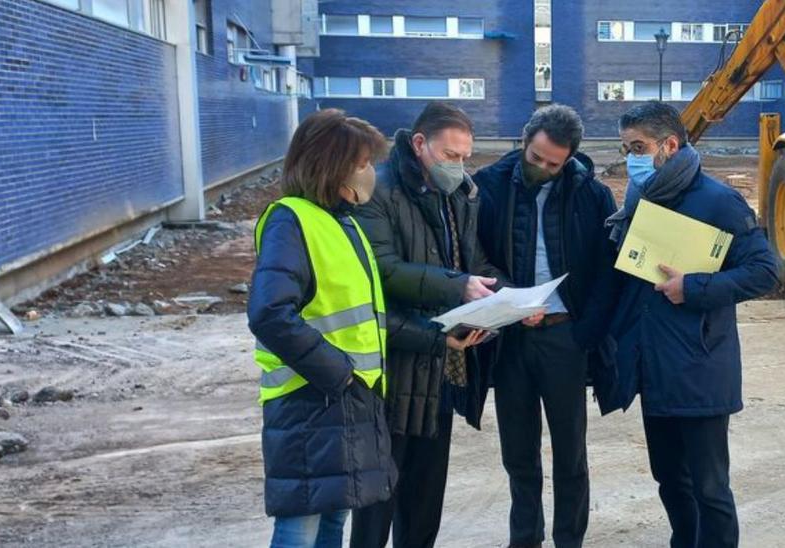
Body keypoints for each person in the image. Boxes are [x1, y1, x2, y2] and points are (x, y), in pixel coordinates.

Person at [599, 102, 778, 548]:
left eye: (638, 147)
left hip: (700, 368)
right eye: (626, 149)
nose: (632, 158)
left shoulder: (719, 201)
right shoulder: (641, 199)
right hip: (653, 367)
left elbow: (765, 271)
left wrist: (693, 288)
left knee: (710, 488)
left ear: (670, 145)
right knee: (669, 480)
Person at [350, 102, 505, 548]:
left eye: (465, 157)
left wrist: (507, 297)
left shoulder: (457, 195)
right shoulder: (378, 192)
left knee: (424, 504)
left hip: (439, 368)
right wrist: (458, 286)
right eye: (449, 155)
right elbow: (383, 271)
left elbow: (470, 263)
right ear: (419, 144)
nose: (458, 166)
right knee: (377, 504)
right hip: (393, 372)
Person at [247, 109, 395, 547]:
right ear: (332, 164)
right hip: (309, 401)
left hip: (343, 400)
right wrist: (339, 372)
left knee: (332, 523)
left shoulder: (340, 222)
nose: (370, 172)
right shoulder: (290, 219)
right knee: (301, 526)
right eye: (363, 162)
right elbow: (270, 312)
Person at [473, 104, 619, 548]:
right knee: (519, 453)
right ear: (524, 140)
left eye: (553, 164)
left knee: (570, 453)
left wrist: (583, 332)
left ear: (569, 158)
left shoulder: (591, 195)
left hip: (563, 338)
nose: (541, 168)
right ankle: (526, 540)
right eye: (535, 157)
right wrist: (510, 300)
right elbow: (472, 254)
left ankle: (569, 540)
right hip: (510, 335)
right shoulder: (487, 186)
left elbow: (605, 271)